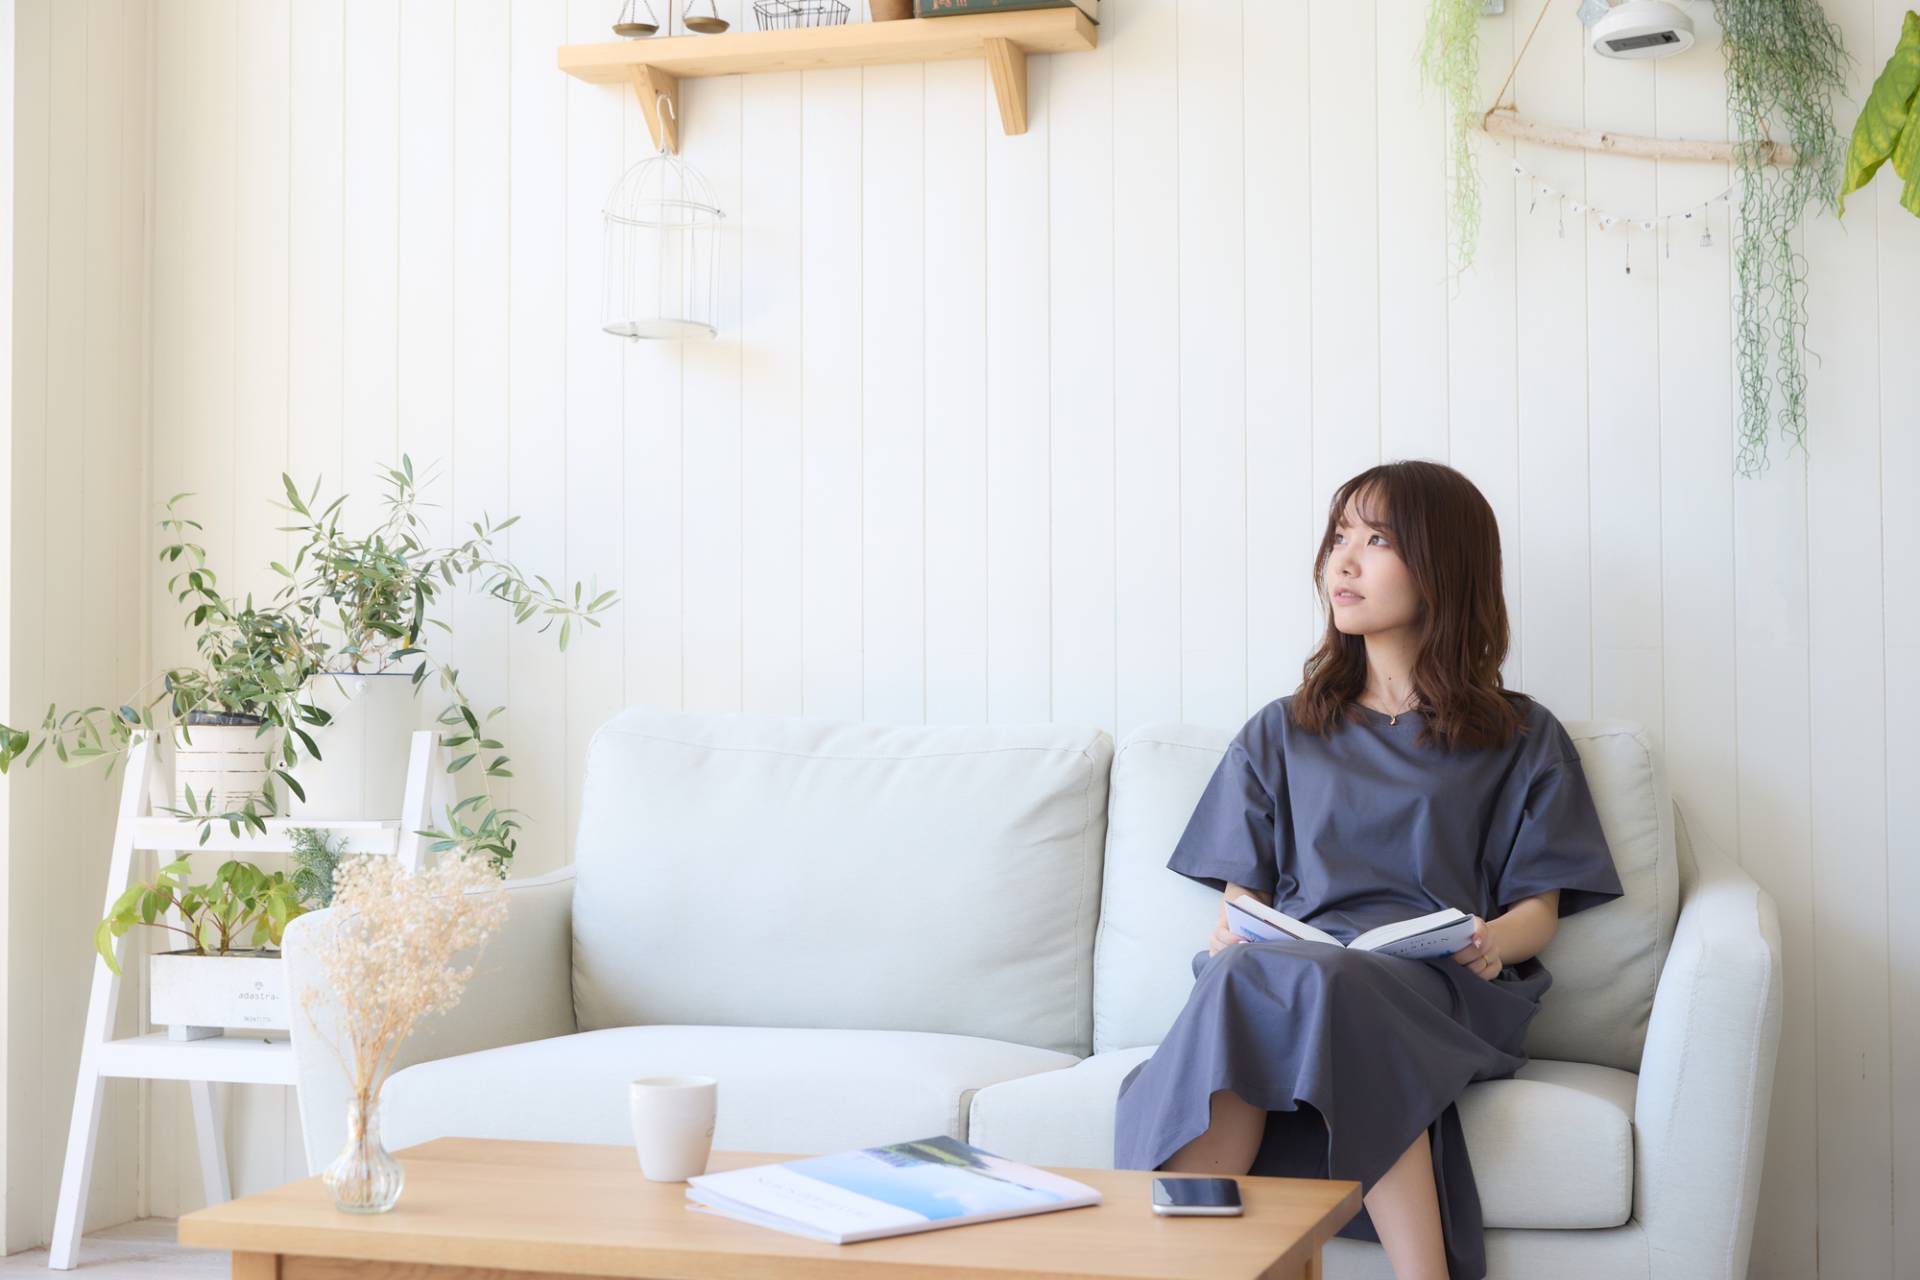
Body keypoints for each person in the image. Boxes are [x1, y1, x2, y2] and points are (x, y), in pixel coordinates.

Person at [1111, 461, 1626, 1280]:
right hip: (1295, 976)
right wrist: (1235, 918)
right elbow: (1245, 889)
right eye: (1337, 538)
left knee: (1327, 984)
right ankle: (1189, 1266)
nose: (1341, 564)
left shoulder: (1522, 735)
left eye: (1376, 540)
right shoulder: (1281, 730)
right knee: (1254, 974)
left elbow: (1541, 908)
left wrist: (1492, 940)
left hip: (1444, 983)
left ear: (1441, 566)